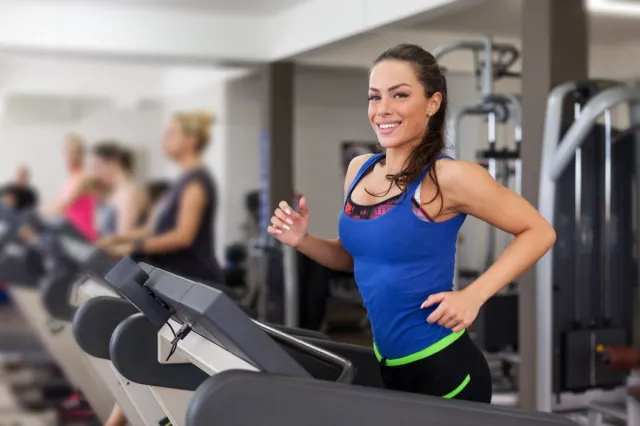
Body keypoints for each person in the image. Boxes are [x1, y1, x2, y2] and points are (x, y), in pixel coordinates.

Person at [267, 44, 556, 403]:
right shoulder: (359, 170)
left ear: (432, 103)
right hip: (388, 364)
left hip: (444, 369)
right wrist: (303, 240)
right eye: (375, 97)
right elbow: (355, 259)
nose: (383, 109)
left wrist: (474, 295)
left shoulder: (449, 177)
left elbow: (540, 231)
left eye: (399, 95)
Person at [98, 110, 223, 286]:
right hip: (170, 273)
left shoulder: (196, 183)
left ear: (190, 141)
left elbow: (182, 236)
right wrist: (117, 239)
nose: (164, 139)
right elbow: (152, 229)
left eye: (171, 133)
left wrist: (133, 247)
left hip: (193, 279)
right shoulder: (179, 182)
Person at [45, 133, 98, 241]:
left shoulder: (85, 177)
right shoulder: (70, 178)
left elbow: (61, 207)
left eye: (77, 152)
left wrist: (34, 212)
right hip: (69, 232)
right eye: (68, 152)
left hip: (82, 236)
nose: (72, 156)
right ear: (63, 152)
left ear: (83, 154)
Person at [91, 141, 148, 236]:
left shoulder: (130, 192)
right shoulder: (114, 193)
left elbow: (123, 238)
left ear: (114, 163)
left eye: (97, 166)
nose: (95, 173)